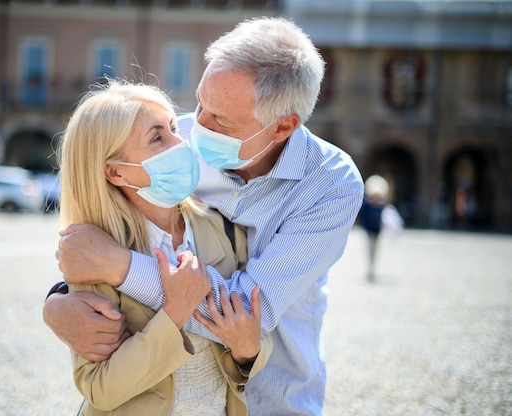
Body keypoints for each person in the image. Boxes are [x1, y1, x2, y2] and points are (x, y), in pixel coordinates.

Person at [45, 17, 364, 416]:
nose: (197, 128)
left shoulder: (331, 185)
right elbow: (112, 224)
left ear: (282, 126)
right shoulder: (175, 145)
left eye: (221, 120)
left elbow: (245, 312)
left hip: (276, 399)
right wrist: (58, 301)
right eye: (200, 103)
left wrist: (122, 267)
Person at [54, 79, 272, 415]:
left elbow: (257, 328)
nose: (181, 142)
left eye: (173, 127)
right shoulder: (94, 257)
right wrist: (173, 316)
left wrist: (249, 351)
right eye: (158, 137)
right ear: (115, 172)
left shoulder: (224, 229)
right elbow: (100, 389)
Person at [359, 175, 403, 281]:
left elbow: (387, 218)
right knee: (371, 247)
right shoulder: (367, 206)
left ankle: (372, 264)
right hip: (369, 230)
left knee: (375, 248)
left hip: (377, 230)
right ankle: (370, 264)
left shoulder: (382, 206)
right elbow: (362, 216)